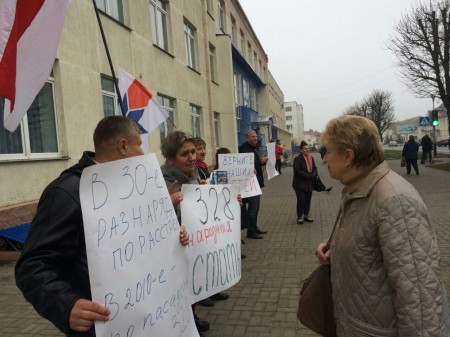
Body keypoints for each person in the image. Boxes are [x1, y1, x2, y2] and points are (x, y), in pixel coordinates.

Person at [14, 116, 190, 337]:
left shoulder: (135, 186)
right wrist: (66, 305)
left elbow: (142, 243)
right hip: (101, 326)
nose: (143, 154)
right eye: (140, 146)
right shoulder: (68, 191)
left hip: (149, 319)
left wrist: (173, 236)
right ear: (123, 146)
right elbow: (31, 266)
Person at [316, 115, 449, 337]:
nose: (323, 159)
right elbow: (368, 250)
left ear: (348, 156)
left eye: (327, 151)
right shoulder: (357, 189)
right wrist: (334, 251)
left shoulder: (394, 201)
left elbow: (421, 304)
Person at [192, 137, 230, 307]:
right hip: (199, 220)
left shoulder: (205, 168)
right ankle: (202, 294)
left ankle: (213, 289)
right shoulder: (193, 170)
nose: (201, 152)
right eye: (197, 149)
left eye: (202, 148)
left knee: (210, 257)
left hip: (210, 218)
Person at [239, 130, 268, 239]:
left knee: (255, 208)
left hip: (255, 183)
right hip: (249, 185)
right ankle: (251, 231)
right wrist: (259, 162)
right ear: (247, 138)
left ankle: (254, 227)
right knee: (253, 208)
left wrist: (262, 161)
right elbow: (247, 165)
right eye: (252, 136)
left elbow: (254, 163)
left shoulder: (252, 149)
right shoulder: (244, 150)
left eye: (256, 136)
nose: (255, 138)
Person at [292, 141, 316, 224]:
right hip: (299, 183)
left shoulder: (311, 158)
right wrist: (308, 176)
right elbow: (297, 171)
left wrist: (314, 174)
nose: (307, 150)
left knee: (308, 200)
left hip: (309, 183)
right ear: (301, 150)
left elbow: (314, 168)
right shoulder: (297, 159)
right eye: (305, 149)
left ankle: (306, 215)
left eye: (308, 148)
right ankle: (299, 217)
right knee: (301, 200)